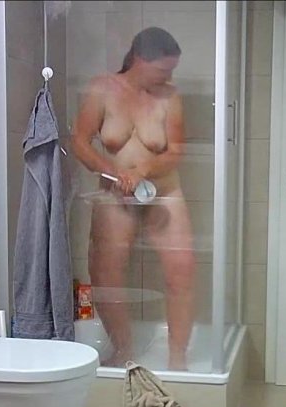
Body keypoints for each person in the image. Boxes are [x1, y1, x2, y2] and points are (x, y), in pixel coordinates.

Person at [71, 27, 195, 371]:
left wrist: (143, 170)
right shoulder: (102, 88)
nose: (168, 77)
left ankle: (178, 358)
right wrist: (113, 171)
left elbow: (176, 151)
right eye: (163, 70)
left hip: (164, 191)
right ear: (140, 59)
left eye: (171, 70)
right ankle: (123, 349)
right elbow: (79, 141)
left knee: (182, 271)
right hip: (116, 192)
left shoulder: (170, 97)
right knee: (106, 273)